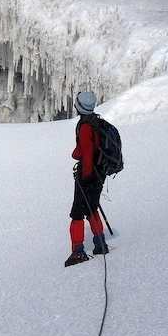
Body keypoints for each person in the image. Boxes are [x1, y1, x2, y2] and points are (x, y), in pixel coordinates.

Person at [65, 91, 109, 267]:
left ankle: (78, 252)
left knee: (77, 213)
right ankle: (100, 243)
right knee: (91, 208)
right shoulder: (97, 122)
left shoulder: (84, 127)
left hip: (88, 175)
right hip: (100, 174)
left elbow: (87, 153)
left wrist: (84, 177)